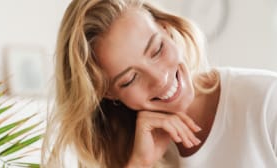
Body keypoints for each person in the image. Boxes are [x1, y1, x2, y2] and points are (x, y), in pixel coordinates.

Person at [41, 0, 277, 167]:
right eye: (130, 79)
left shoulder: (268, 101)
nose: (160, 78)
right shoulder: (127, 148)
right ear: (109, 94)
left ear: (167, 30)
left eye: (157, 49)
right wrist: (140, 164)